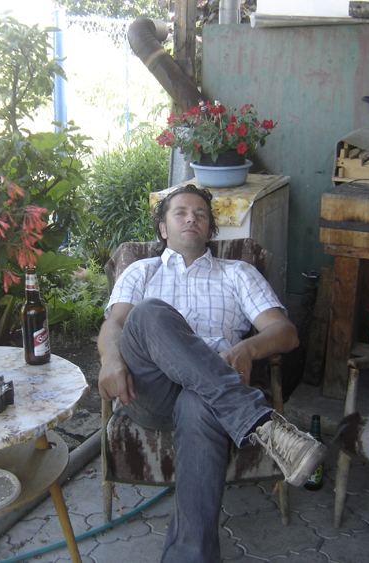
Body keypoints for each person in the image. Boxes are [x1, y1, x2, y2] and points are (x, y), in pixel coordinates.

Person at [97, 184, 327, 563]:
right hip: (151, 391)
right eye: (181, 213)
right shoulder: (142, 270)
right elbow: (114, 325)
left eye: (200, 214)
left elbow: (285, 333)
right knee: (149, 312)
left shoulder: (238, 273)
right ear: (163, 229)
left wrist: (247, 348)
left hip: (210, 397)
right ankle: (263, 424)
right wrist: (110, 359)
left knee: (198, 401)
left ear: (210, 230)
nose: (192, 218)